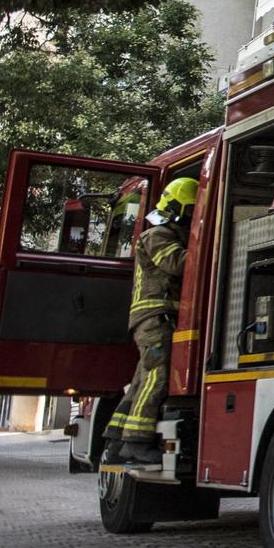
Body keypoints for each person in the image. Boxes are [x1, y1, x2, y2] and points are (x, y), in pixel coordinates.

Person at [104, 177, 197, 466]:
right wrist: (207, 249)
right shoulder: (156, 235)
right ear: (178, 207)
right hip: (153, 319)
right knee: (157, 375)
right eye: (191, 210)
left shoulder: (166, 234)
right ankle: (137, 442)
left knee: (141, 380)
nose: (193, 216)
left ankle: (116, 437)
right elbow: (178, 264)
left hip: (154, 319)